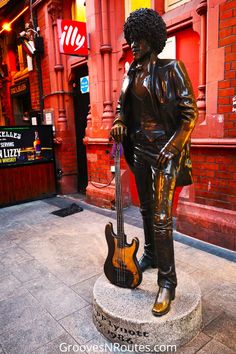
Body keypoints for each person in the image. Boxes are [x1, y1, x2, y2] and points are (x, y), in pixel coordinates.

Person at [110, 8, 198, 316]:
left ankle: (167, 282)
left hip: (166, 151)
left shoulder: (172, 68)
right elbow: (121, 109)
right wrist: (119, 122)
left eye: (139, 38)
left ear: (153, 38)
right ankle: (150, 254)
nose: (133, 44)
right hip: (140, 151)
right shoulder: (130, 73)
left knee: (161, 217)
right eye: (131, 38)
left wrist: (173, 147)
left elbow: (190, 115)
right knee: (145, 209)